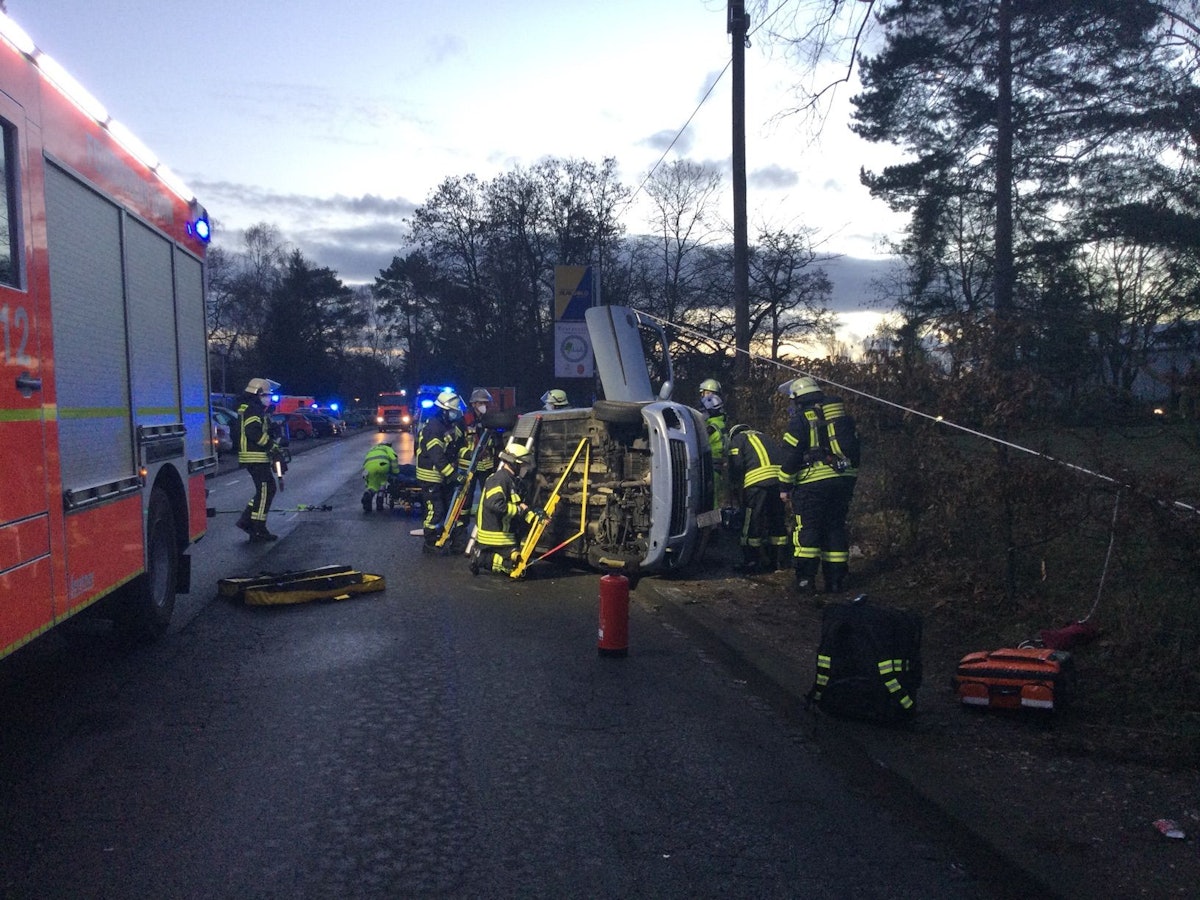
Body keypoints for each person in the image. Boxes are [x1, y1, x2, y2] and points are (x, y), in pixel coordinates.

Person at [780, 376, 859, 594]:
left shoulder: (801, 420)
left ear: (798, 398)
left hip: (812, 484)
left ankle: (806, 582)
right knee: (835, 529)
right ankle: (835, 582)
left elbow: (791, 456)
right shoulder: (840, 418)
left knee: (808, 531)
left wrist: (784, 487)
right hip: (842, 482)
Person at [470, 440, 544, 576]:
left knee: (526, 567)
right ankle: (481, 557)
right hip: (495, 536)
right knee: (515, 568)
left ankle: (496, 556)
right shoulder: (499, 480)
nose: (525, 469)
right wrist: (520, 511)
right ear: (514, 463)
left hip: (505, 535)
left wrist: (535, 517)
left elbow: (519, 505)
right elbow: (495, 504)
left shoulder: (512, 481)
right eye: (523, 465)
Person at [726, 423, 790, 573]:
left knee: (751, 521)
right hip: (777, 481)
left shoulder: (737, 440)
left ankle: (751, 561)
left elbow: (736, 464)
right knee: (777, 519)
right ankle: (779, 560)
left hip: (756, 483)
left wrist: (735, 483)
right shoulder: (765, 436)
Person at [235, 377, 285, 542]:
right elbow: (253, 432)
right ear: (257, 394)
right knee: (266, 490)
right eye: (266, 395)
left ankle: (246, 520)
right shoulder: (253, 410)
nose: (269, 398)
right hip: (254, 456)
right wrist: (271, 445)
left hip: (256, 456)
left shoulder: (253, 409)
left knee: (265, 490)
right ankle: (258, 528)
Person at [415, 388, 465, 551]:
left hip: (443, 475)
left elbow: (457, 446)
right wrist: (453, 475)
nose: (455, 414)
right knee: (436, 510)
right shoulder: (434, 428)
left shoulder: (448, 425)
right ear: (444, 411)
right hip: (430, 476)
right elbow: (437, 457)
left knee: (450, 507)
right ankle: (429, 542)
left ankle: (451, 538)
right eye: (452, 411)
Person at [702, 393, 728, 506]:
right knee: (715, 496)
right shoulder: (721, 423)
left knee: (711, 499)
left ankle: (711, 523)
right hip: (719, 466)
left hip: (711, 465)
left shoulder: (711, 427)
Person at [361, 441, 400, 512]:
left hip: (369, 468)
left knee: (372, 485)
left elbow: (365, 461)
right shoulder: (387, 448)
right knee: (382, 482)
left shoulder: (372, 449)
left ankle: (369, 494)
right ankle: (379, 502)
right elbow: (394, 458)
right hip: (382, 465)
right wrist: (396, 472)